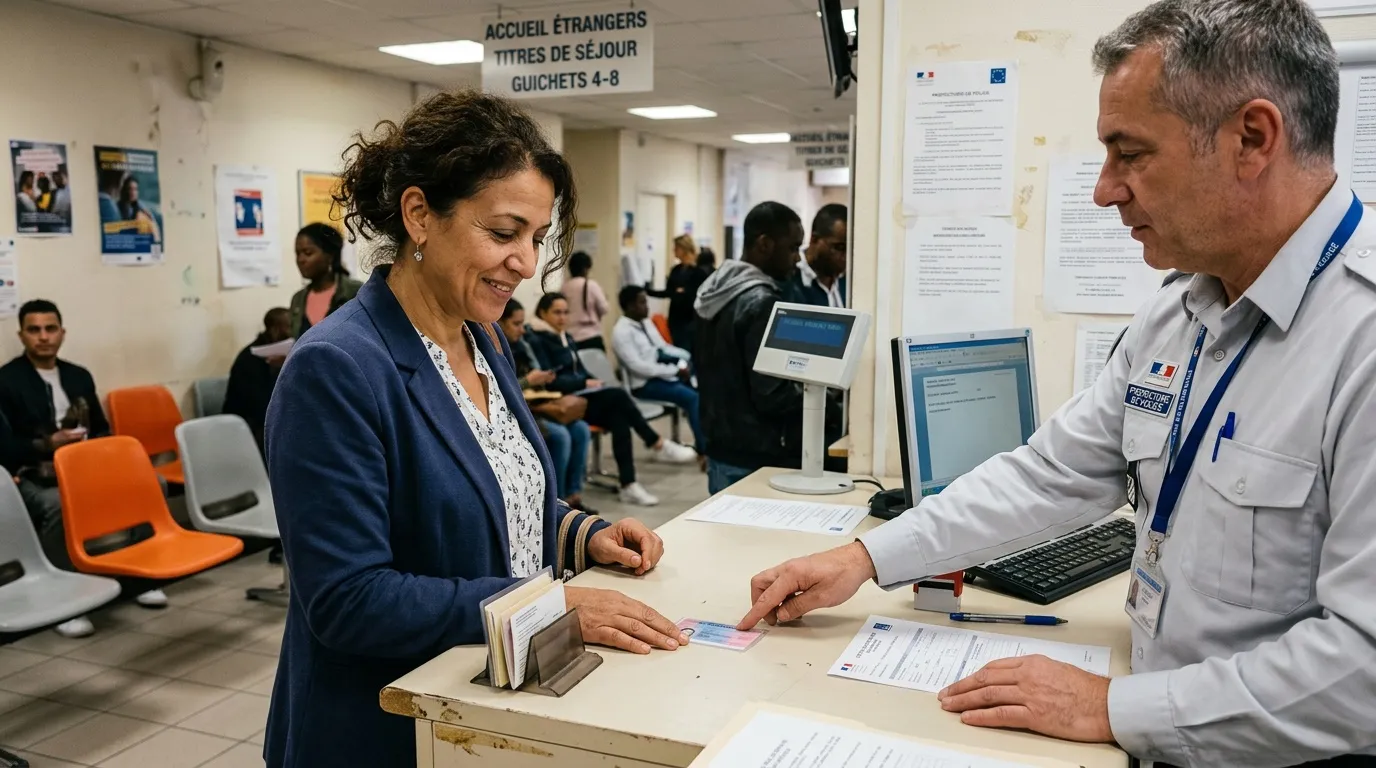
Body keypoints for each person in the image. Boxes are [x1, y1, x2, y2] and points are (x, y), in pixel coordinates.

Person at [738, 2, 1376, 765]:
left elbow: (1362, 670)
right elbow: (1050, 474)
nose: (1105, 190)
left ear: (1253, 138)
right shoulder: (1182, 313)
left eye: (1129, 152)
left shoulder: (1360, 341)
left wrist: (1117, 708)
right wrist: (863, 560)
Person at [264, 90, 691, 768]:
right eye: (503, 233)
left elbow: (496, 489)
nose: (526, 262)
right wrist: (554, 605)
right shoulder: (337, 369)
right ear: (419, 216)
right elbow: (348, 599)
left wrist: (584, 534)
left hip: (489, 702)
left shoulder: (481, 337)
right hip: (387, 725)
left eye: (537, 239)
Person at [0, 300, 167, 638]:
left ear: (63, 333)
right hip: (36, 472)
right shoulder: (7, 380)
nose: (44, 337)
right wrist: (49, 444)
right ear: (22, 335)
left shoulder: (78, 375)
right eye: (34, 330)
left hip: (86, 468)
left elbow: (103, 429)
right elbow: (5, 446)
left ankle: (139, 575)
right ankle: (62, 597)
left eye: (50, 329)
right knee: (56, 506)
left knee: (152, 484)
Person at [695, 202, 841, 494]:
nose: (796, 259)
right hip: (757, 456)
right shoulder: (762, 303)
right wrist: (826, 393)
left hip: (722, 447)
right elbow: (771, 393)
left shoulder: (713, 292)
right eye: (791, 248)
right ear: (764, 244)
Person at [527, 292, 696, 506]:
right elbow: (550, 380)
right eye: (556, 313)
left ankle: (629, 484)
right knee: (618, 397)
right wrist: (583, 383)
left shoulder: (565, 336)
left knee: (620, 418)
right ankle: (655, 443)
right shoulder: (537, 339)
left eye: (565, 312)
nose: (562, 317)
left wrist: (591, 380)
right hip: (561, 402)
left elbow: (580, 371)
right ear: (543, 313)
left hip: (581, 397)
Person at [500, 298, 593, 513]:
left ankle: (573, 496)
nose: (522, 330)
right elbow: (501, 387)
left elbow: (538, 370)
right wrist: (528, 381)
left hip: (537, 404)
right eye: (516, 324)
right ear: (500, 323)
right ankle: (556, 505)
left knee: (580, 429)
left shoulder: (523, 344)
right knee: (560, 436)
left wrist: (541, 377)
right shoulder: (493, 349)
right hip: (517, 412)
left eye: (523, 324)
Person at [612, 285, 702, 460]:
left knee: (703, 389)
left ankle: (708, 441)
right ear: (630, 306)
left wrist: (685, 358)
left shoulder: (645, 322)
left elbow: (661, 347)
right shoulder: (621, 332)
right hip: (644, 384)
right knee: (692, 398)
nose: (647, 306)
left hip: (662, 375)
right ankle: (704, 450)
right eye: (642, 302)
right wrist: (673, 371)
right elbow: (638, 366)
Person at [223, 307, 291, 455]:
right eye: (289, 327)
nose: (293, 332)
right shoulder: (249, 359)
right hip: (246, 426)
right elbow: (260, 406)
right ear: (275, 330)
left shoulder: (284, 355)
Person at [291, 223, 363, 338]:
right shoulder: (298, 299)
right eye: (298, 253)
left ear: (330, 255)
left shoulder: (355, 292)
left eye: (308, 253)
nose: (301, 259)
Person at [646, 234, 710, 352]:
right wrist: (649, 292)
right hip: (675, 318)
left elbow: (695, 296)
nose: (674, 251)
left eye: (676, 248)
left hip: (690, 319)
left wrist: (681, 292)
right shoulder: (676, 270)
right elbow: (670, 292)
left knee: (689, 350)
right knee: (678, 349)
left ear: (684, 248)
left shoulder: (698, 272)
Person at [782, 204, 847, 308]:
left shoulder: (847, 283)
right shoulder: (789, 277)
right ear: (814, 239)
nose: (845, 257)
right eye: (839, 247)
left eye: (850, 249)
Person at [563, 250, 610, 350]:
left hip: (570, 337)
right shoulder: (591, 285)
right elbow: (604, 308)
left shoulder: (564, 287)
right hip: (591, 335)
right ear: (586, 268)